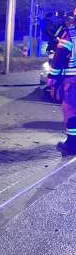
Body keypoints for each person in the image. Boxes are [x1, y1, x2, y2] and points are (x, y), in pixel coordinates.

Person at [47, 8, 76, 155]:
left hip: (73, 81)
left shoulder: (71, 34)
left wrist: (52, 79)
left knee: (70, 109)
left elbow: (59, 59)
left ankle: (72, 144)